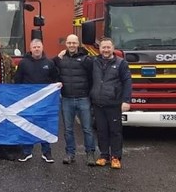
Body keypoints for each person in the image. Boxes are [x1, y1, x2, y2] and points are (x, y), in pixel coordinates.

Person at [14, 39, 60, 163]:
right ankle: (26, 152)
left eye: (38, 47)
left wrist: (57, 85)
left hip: (44, 102)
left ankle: (46, 152)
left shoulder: (49, 63)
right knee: (27, 125)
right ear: (30, 49)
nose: (36, 49)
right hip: (27, 102)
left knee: (44, 126)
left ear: (42, 47)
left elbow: (55, 78)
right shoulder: (23, 63)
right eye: (34, 47)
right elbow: (17, 80)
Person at [90, 37, 132, 170]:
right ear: (100, 48)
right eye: (103, 47)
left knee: (115, 131)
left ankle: (116, 157)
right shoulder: (94, 62)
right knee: (101, 131)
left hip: (114, 103)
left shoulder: (121, 64)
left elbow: (127, 82)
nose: (106, 50)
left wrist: (126, 100)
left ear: (113, 48)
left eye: (108, 47)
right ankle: (104, 155)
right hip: (98, 103)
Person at [53, 34, 96, 166]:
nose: (72, 45)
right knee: (68, 129)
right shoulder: (60, 59)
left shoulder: (86, 59)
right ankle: (70, 154)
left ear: (78, 44)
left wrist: (90, 94)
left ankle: (90, 154)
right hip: (66, 99)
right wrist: (56, 58)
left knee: (87, 128)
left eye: (74, 43)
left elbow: (92, 77)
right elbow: (51, 68)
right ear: (66, 44)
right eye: (69, 43)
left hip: (83, 98)